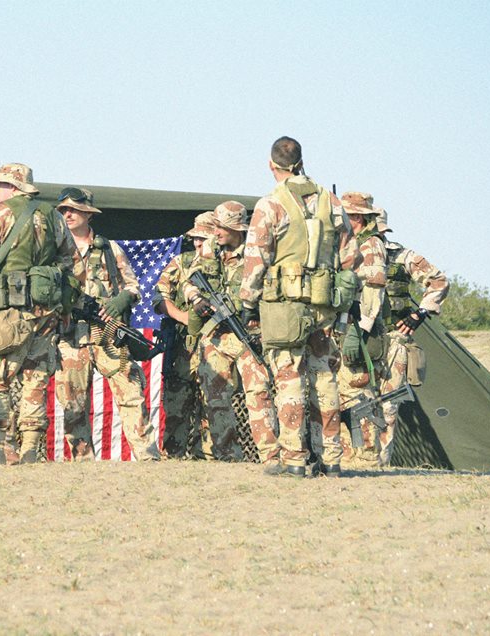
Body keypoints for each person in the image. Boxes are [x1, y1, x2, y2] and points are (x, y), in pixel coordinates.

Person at [239, 137, 360, 477]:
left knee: (289, 379)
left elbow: (256, 258)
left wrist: (248, 302)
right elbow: (351, 257)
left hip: (284, 309)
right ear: (302, 161)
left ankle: (293, 460)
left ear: (270, 163)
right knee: (325, 380)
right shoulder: (331, 202)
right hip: (325, 306)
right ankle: (332, 458)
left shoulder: (270, 204)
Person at [0, 163, 84, 465]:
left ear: (13, 187)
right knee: (36, 378)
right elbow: (73, 264)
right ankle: (30, 449)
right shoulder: (53, 216)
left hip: (6, 313)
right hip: (45, 312)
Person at [54, 187, 160, 461]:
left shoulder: (109, 249)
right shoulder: (54, 252)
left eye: (74, 210)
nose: (68, 215)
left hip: (108, 334)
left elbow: (133, 286)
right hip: (71, 337)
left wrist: (122, 299)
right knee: (72, 403)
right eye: (64, 210)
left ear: (88, 213)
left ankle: (147, 456)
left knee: (131, 392)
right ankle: (83, 462)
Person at [183, 201, 280, 463]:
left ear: (237, 229)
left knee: (259, 395)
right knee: (215, 398)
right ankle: (226, 457)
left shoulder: (257, 253)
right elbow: (189, 280)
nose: (216, 232)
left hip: (250, 333)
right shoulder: (208, 249)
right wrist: (195, 299)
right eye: (215, 227)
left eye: (222, 227)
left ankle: (271, 457)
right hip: (216, 335)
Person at [376, 206, 448, 465]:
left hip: (395, 338)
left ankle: (380, 463)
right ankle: (356, 461)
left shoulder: (403, 256)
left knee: (388, 405)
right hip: (359, 338)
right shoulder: (347, 253)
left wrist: (420, 314)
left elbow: (438, 282)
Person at [153, 212, 216, 459]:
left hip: (214, 347)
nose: (198, 243)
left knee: (212, 409)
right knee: (176, 410)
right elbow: (159, 299)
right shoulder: (181, 262)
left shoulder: (227, 264)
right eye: (195, 238)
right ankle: (173, 458)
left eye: (203, 238)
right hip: (182, 347)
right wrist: (182, 317)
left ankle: (209, 458)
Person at [335, 192, 388, 469]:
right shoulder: (351, 243)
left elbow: (374, 291)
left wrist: (361, 330)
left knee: (360, 396)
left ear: (355, 217)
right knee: (344, 397)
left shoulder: (371, 245)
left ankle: (366, 458)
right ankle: (349, 456)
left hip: (361, 328)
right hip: (347, 327)